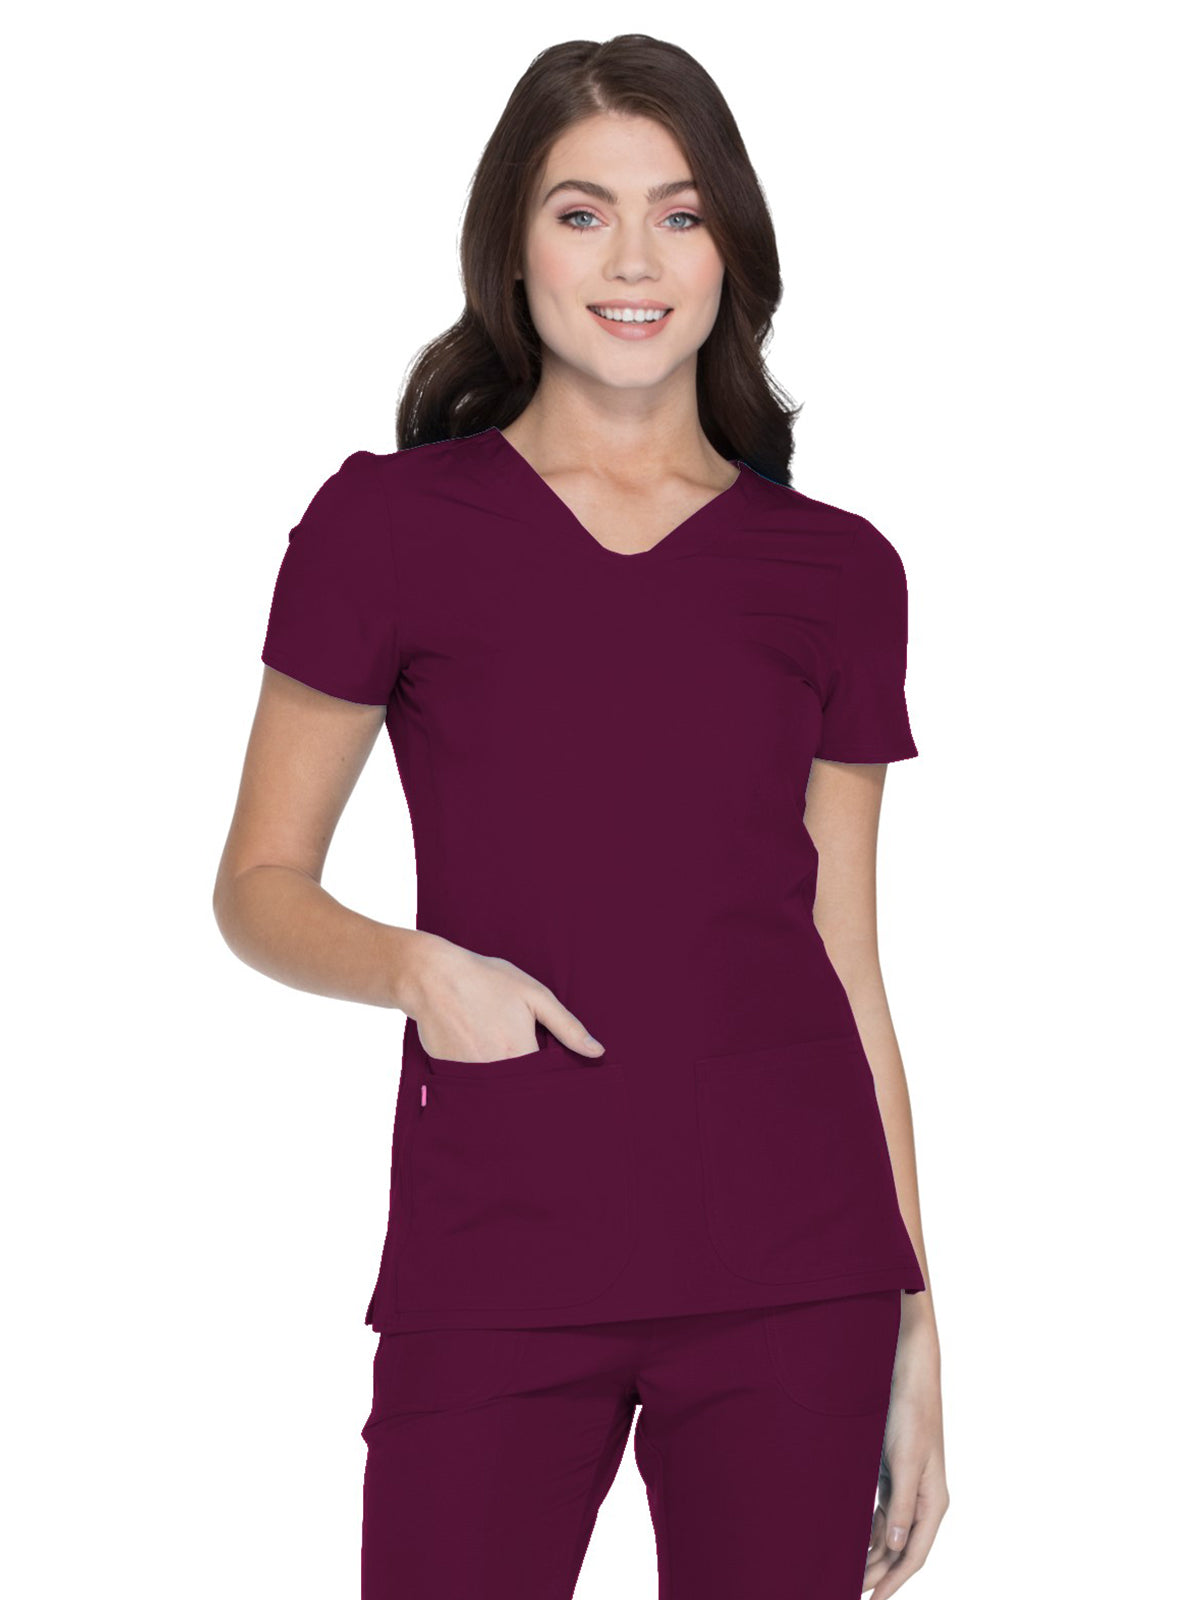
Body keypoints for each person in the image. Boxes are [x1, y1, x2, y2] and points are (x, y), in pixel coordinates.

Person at [214, 32, 949, 1600]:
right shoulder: (384, 528)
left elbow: (850, 965)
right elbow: (258, 885)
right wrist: (417, 969)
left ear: (730, 249)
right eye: (581, 212)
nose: (633, 260)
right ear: (513, 247)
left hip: (797, 1270)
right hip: (494, 1259)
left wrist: (916, 1324)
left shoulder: (838, 571)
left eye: (678, 214)